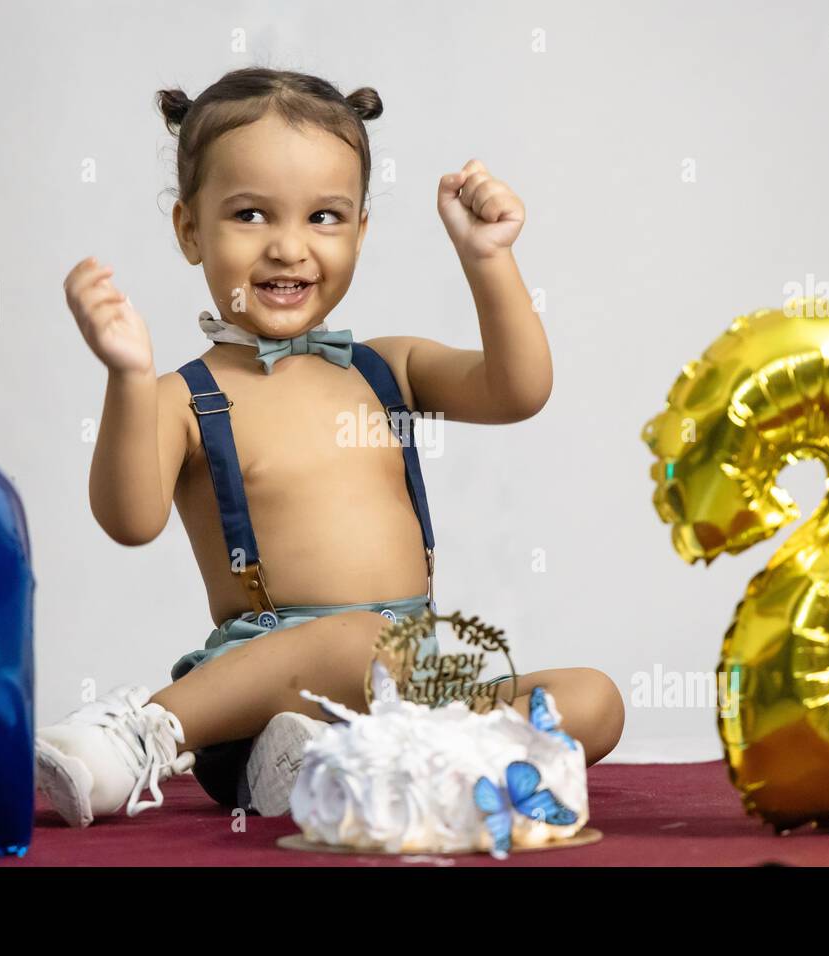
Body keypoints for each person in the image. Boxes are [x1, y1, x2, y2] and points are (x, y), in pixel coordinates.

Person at [37, 67, 625, 827]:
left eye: (324, 217)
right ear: (190, 230)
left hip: (411, 687)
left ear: (361, 230)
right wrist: (126, 376)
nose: (289, 248)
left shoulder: (388, 369)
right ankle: (145, 730)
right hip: (251, 690)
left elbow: (519, 390)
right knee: (357, 641)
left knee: (593, 701)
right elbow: (129, 518)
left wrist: (489, 258)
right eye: (250, 215)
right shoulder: (183, 396)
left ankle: (351, 765)